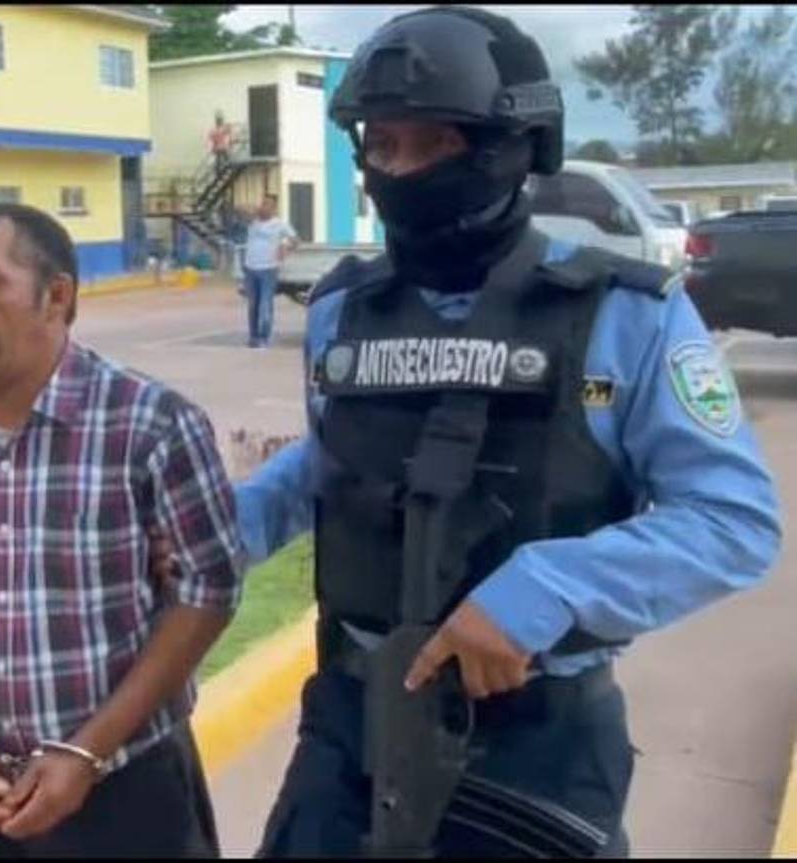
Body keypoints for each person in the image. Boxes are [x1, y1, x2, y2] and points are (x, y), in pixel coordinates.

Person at [231, 6, 781, 857]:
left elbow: (733, 521)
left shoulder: (622, 313)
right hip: (350, 722)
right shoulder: (344, 309)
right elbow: (334, 458)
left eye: (435, 144)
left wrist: (545, 590)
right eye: (382, 146)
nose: (400, 170)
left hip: (536, 741)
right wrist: (223, 529)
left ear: (515, 148)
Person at [0, 202, 245, 857]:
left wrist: (87, 750)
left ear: (57, 296)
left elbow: (208, 590)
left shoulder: (150, 426)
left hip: (126, 793)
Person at [242, 194, 299, 348]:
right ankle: (253, 337)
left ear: (274, 208)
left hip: (268, 269)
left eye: (268, 204)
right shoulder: (253, 222)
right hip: (251, 268)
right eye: (263, 203)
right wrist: (254, 210)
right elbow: (240, 210)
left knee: (265, 305)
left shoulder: (280, 224)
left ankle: (264, 337)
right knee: (253, 305)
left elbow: (295, 240)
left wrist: (285, 248)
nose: (264, 206)